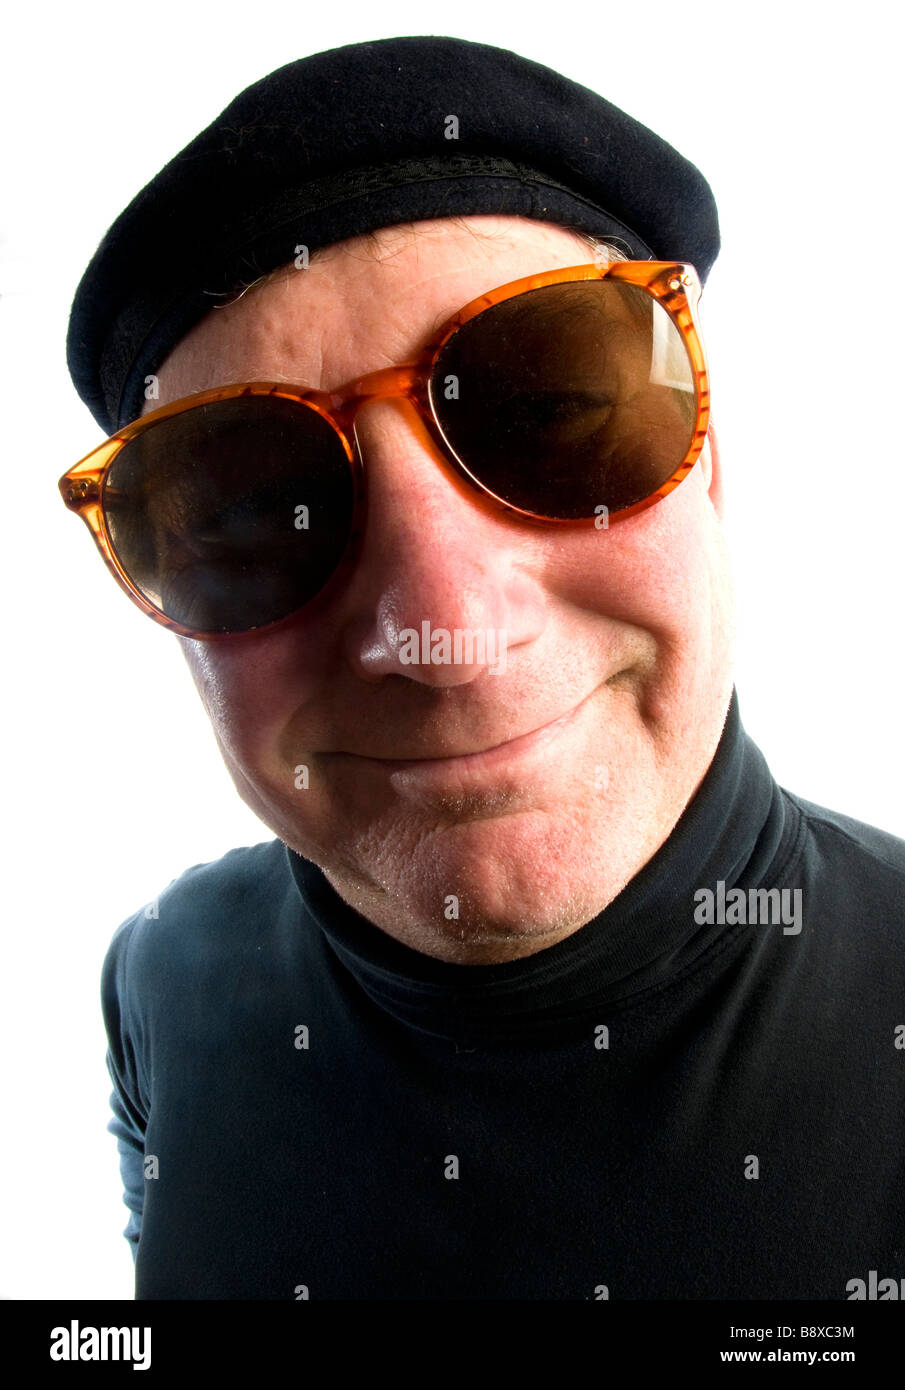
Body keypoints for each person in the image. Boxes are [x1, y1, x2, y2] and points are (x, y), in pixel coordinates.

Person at [62, 35, 904, 1301]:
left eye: (550, 412)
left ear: (709, 465)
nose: (441, 627)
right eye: (249, 503)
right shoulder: (158, 979)